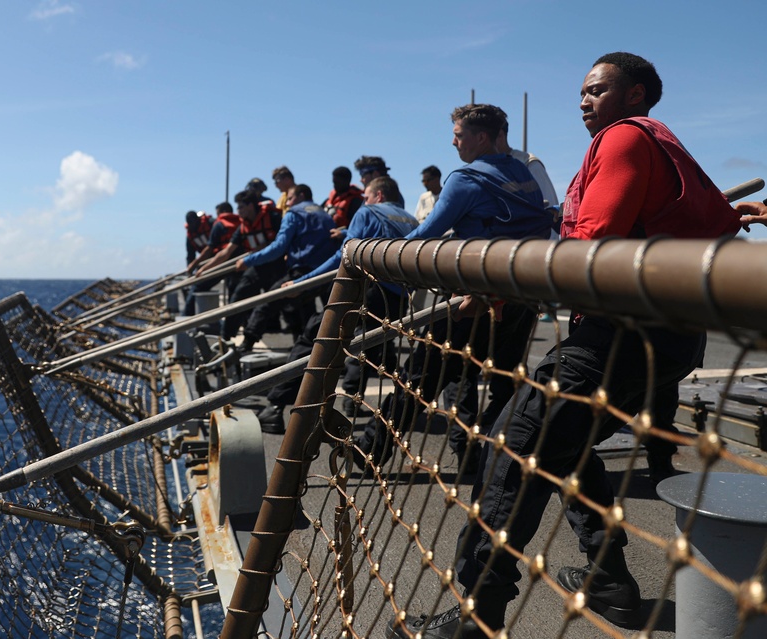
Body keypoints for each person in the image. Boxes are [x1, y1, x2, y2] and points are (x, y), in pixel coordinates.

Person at [396, 52, 767, 639]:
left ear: (635, 94)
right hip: (666, 340)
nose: (583, 101)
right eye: (582, 92)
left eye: (596, 90)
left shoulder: (624, 138)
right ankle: (608, 579)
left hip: (617, 337)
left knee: (513, 447)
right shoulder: (664, 144)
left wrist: (501, 282)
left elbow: (591, 241)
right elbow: (694, 220)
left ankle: (477, 614)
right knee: (566, 445)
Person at [353, 104, 551, 477]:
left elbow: (425, 234)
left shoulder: (465, 178)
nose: (454, 142)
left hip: (471, 299)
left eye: (458, 135)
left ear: (481, 137)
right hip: (520, 298)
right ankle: (483, 454)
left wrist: (380, 258)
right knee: (500, 383)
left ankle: (369, 450)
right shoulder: (522, 174)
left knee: (419, 378)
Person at [256, 176, 418, 432]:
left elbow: (342, 256)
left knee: (315, 336)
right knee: (368, 347)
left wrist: (302, 282)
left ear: (379, 195)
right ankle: (352, 402)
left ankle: (275, 408)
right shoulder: (412, 220)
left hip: (366, 290)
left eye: (366, 196)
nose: (364, 201)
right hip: (397, 299)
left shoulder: (368, 212)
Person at [235, 184, 341, 356]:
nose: (288, 203)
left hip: (302, 273)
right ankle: (304, 351)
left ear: (301, 195)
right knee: (305, 312)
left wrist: (248, 261)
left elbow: (278, 247)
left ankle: (246, 344)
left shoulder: (294, 214)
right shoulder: (324, 214)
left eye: (290, 198)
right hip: (326, 275)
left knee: (267, 303)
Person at [197, 190, 285, 339]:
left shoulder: (273, 218)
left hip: (279, 265)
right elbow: (226, 252)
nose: (238, 211)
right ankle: (226, 337)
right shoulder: (243, 227)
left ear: (250, 206)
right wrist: (204, 269)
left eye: (241, 207)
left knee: (286, 305)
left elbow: (284, 241)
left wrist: (263, 248)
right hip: (257, 266)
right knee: (238, 296)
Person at [183, 202, 241, 316]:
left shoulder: (214, 224)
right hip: (218, 260)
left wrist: (200, 267)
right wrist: (191, 270)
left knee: (233, 288)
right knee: (198, 286)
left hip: (221, 260)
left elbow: (210, 249)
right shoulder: (190, 235)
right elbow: (190, 255)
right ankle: (187, 317)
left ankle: (232, 320)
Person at [322, 166, 365, 235]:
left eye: (337, 182)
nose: (335, 185)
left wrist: (343, 233)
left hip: (345, 238)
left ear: (347, 181)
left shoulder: (356, 202)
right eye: (334, 182)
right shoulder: (328, 200)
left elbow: (359, 226)